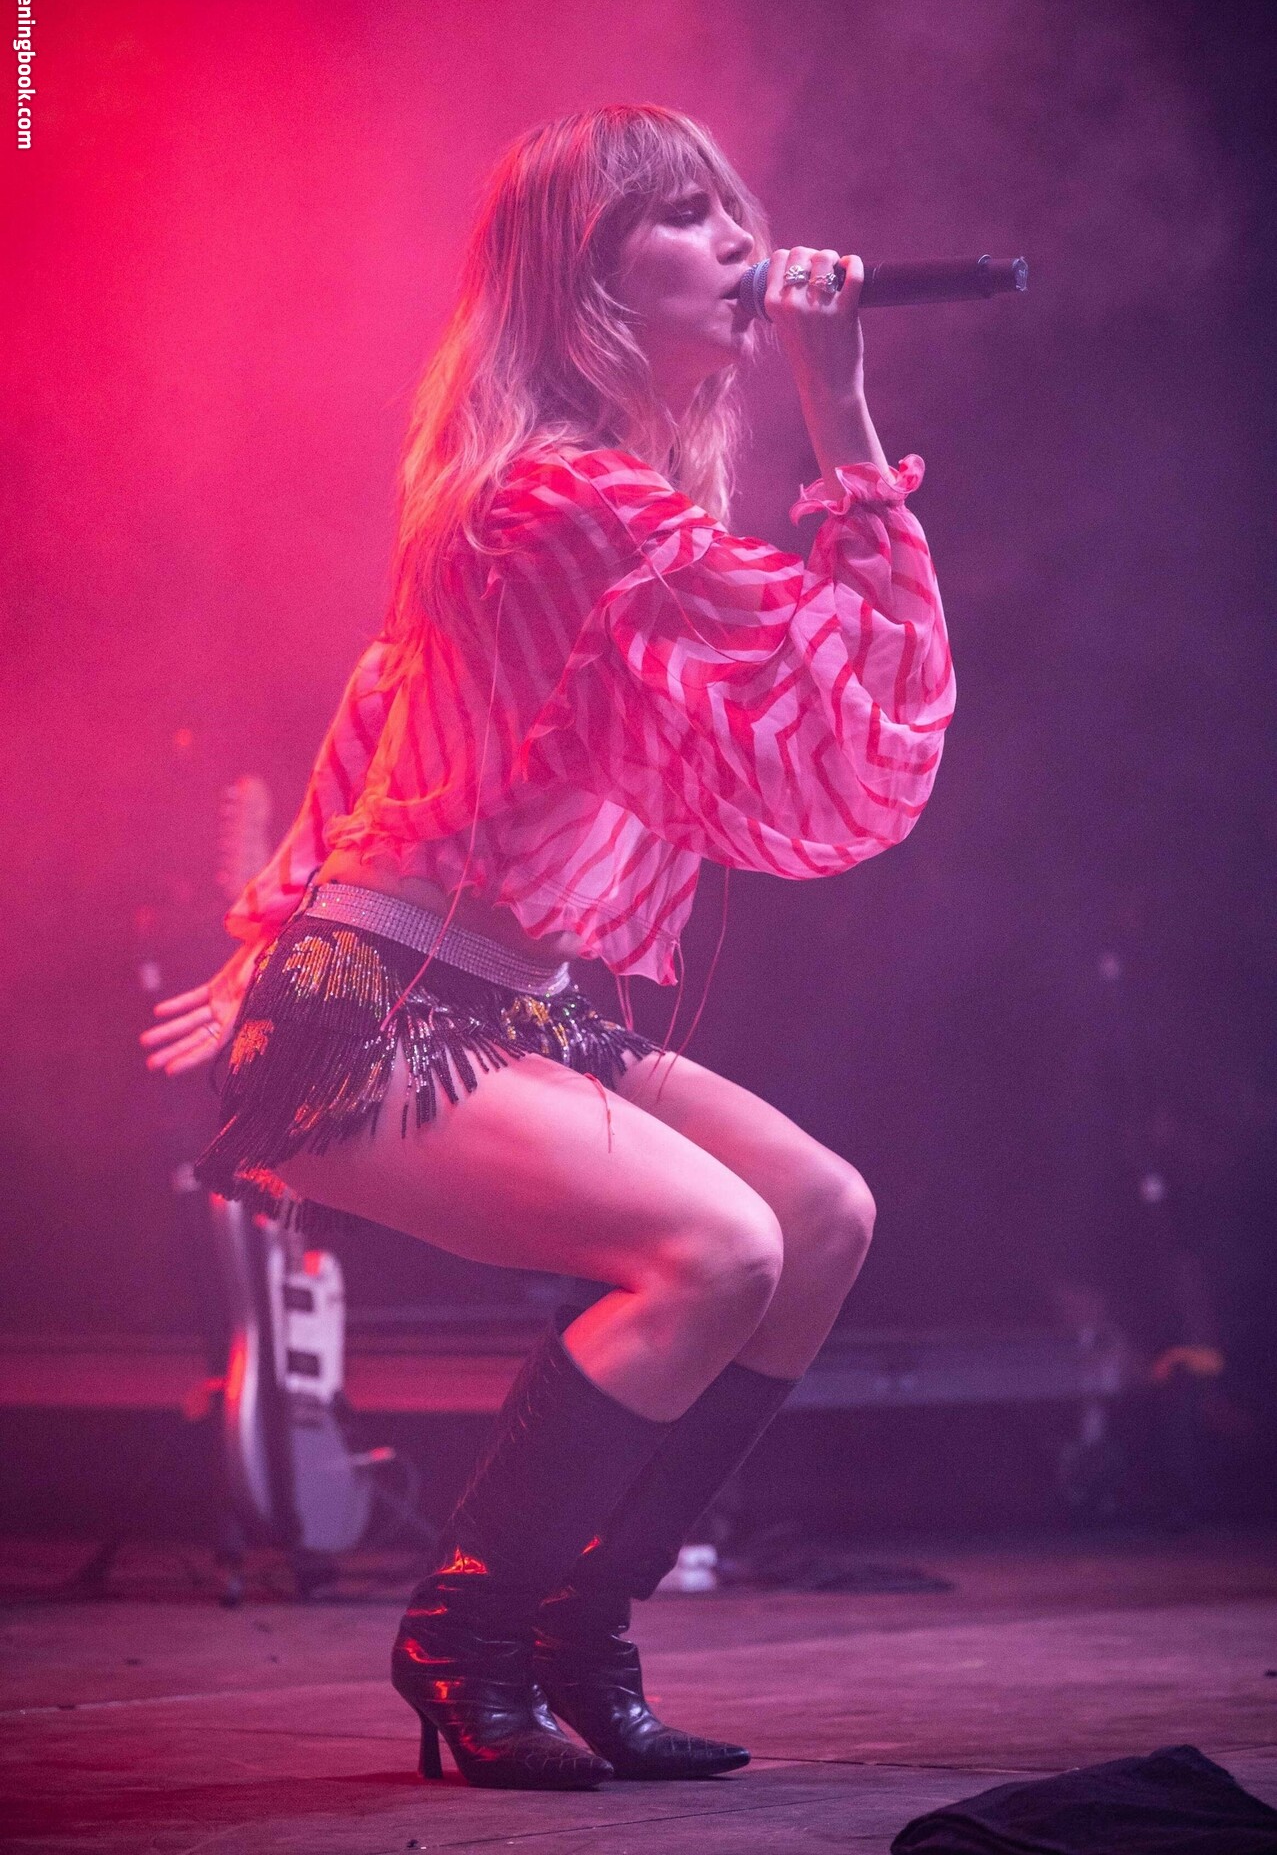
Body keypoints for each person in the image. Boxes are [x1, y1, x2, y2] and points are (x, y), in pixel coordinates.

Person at [141, 104, 955, 1792]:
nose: (738, 242)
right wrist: (842, 403)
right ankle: (467, 1632)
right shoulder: (554, 497)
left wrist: (268, 914)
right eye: (684, 216)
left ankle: (580, 1635)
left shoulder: (602, 501)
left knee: (819, 1216)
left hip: (504, 1004)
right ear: (584, 284)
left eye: (734, 209)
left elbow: (386, 698)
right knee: (714, 1248)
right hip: (382, 1008)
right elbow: (861, 696)